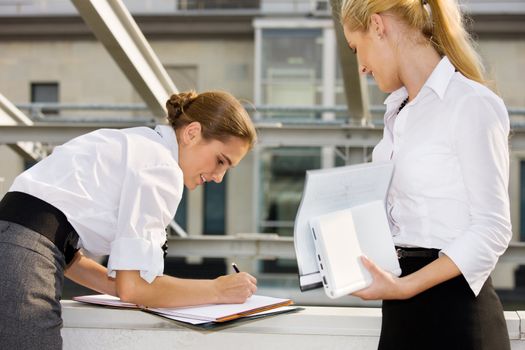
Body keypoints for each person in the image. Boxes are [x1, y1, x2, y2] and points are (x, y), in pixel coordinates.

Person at [0, 90, 258, 349]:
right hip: (25, 261)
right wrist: (217, 291)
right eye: (220, 161)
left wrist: (140, 288)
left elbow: (71, 258)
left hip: (15, 248)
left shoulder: (138, 143)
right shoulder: (162, 168)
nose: (218, 177)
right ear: (192, 133)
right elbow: (133, 289)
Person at [339, 0, 511, 349]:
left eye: (357, 49)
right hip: (402, 310)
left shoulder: (470, 103)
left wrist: (404, 287)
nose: (361, 68)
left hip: (456, 314)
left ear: (377, 25)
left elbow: (493, 229)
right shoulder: (397, 113)